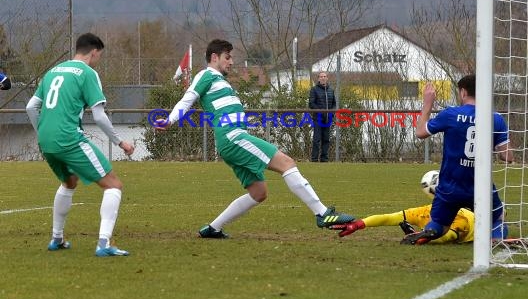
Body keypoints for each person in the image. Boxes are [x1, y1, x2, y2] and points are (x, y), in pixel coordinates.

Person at [155, 39, 354, 238]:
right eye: (227, 57)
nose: (231, 62)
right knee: (287, 163)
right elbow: (188, 98)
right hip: (233, 137)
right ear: (214, 57)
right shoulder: (207, 75)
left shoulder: (219, 81)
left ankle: (212, 229)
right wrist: (170, 120)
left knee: (259, 192)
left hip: (231, 141)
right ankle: (322, 213)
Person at [26, 33, 135, 257]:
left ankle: (57, 238)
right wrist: (120, 141)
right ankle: (104, 244)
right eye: (99, 56)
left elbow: (30, 107)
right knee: (113, 184)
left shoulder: (53, 71)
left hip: (46, 140)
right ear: (94, 52)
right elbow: (99, 116)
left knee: (69, 181)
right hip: (69, 138)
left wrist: (43, 132)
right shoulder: (88, 73)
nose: (98, 60)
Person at [400, 75, 513, 245]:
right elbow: (508, 157)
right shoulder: (495, 118)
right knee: (498, 217)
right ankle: (496, 238)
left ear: (463, 92)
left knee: (441, 226)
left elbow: (420, 133)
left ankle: (428, 232)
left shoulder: (450, 114)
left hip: (449, 186)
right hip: (480, 186)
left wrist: (428, 104)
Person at [333, 203, 475, 244]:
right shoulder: (423, 211)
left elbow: (448, 236)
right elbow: (388, 218)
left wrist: (422, 238)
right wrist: (359, 224)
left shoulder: (460, 217)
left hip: (489, 227)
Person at [309, 71, 335, 162]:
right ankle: (314, 159)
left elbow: (334, 104)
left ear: (327, 78)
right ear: (318, 78)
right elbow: (311, 103)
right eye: (321, 76)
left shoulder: (331, 90)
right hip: (318, 118)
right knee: (316, 140)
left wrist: (332, 114)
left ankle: (324, 159)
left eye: (325, 76)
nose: (323, 78)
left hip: (328, 119)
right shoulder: (314, 89)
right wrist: (321, 112)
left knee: (326, 139)